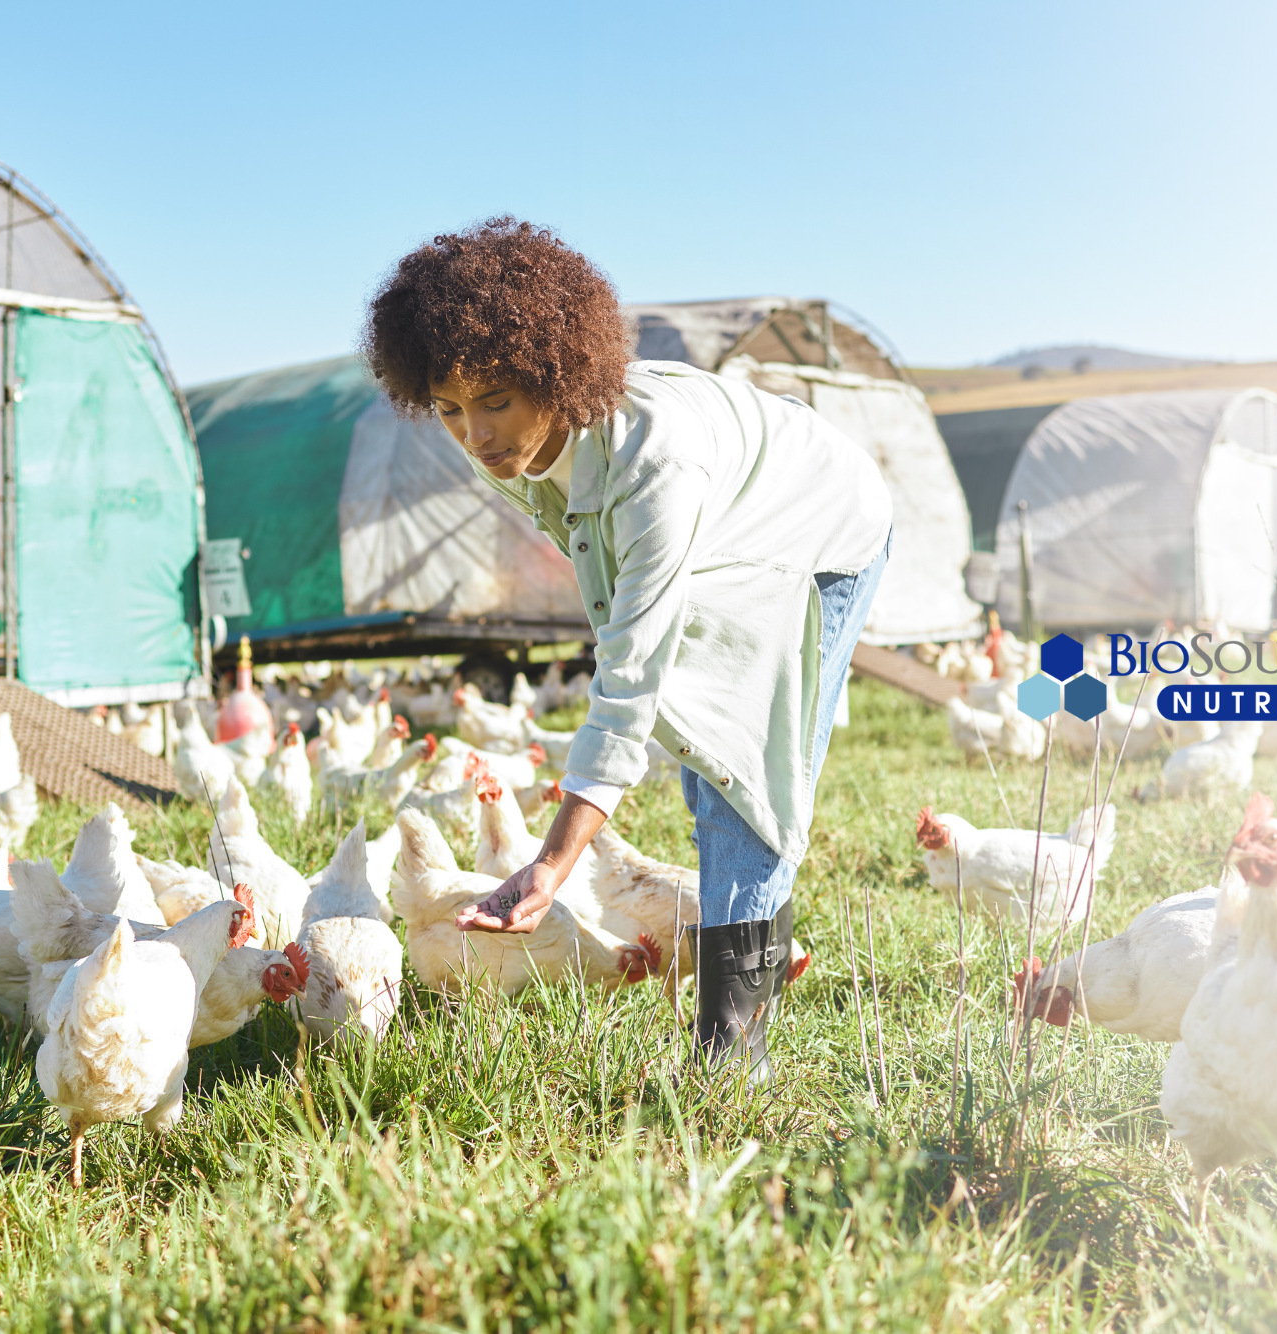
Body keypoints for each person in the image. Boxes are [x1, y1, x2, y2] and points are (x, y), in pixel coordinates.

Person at [362, 219, 893, 1079]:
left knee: (747, 766)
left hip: (817, 521)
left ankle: (732, 1058)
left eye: (496, 401)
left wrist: (552, 863)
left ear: (554, 376)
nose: (476, 435)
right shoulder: (498, 444)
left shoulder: (657, 467)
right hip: (730, 506)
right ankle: (731, 986)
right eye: (451, 410)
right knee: (698, 745)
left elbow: (632, 669)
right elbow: (608, 592)